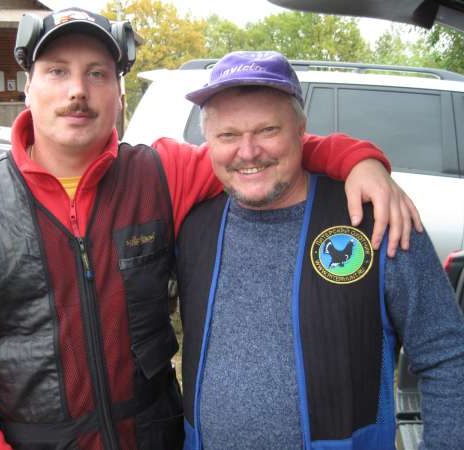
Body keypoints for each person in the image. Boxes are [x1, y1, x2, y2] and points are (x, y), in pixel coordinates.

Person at [0, 8, 420, 450]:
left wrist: (359, 160)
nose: (78, 90)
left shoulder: (161, 175)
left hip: (155, 436)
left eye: (97, 74)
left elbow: (261, 153)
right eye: (57, 71)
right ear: (28, 88)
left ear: (119, 93)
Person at [177, 51, 464, 450]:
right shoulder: (192, 227)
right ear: (207, 141)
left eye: (267, 130)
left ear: (301, 130)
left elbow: (446, 354)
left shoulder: (377, 220)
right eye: (228, 135)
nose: (248, 151)